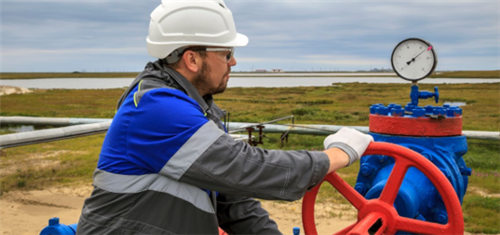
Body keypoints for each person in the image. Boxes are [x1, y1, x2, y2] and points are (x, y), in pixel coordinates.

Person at [76, 0, 373, 234]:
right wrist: (336, 156)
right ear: (192, 59)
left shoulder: (191, 105)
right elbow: (246, 167)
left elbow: (231, 198)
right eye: (226, 52)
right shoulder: (155, 108)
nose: (234, 61)